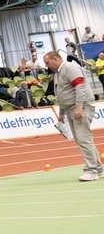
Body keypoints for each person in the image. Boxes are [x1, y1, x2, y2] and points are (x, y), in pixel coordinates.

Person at [43, 51, 103, 181]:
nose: (47, 66)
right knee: (82, 139)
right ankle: (98, 169)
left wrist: (79, 107)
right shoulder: (58, 73)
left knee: (83, 139)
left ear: (55, 58)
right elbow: (62, 94)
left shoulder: (70, 68)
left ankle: (91, 171)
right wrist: (61, 113)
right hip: (71, 109)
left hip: (80, 108)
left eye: (47, 63)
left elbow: (79, 87)